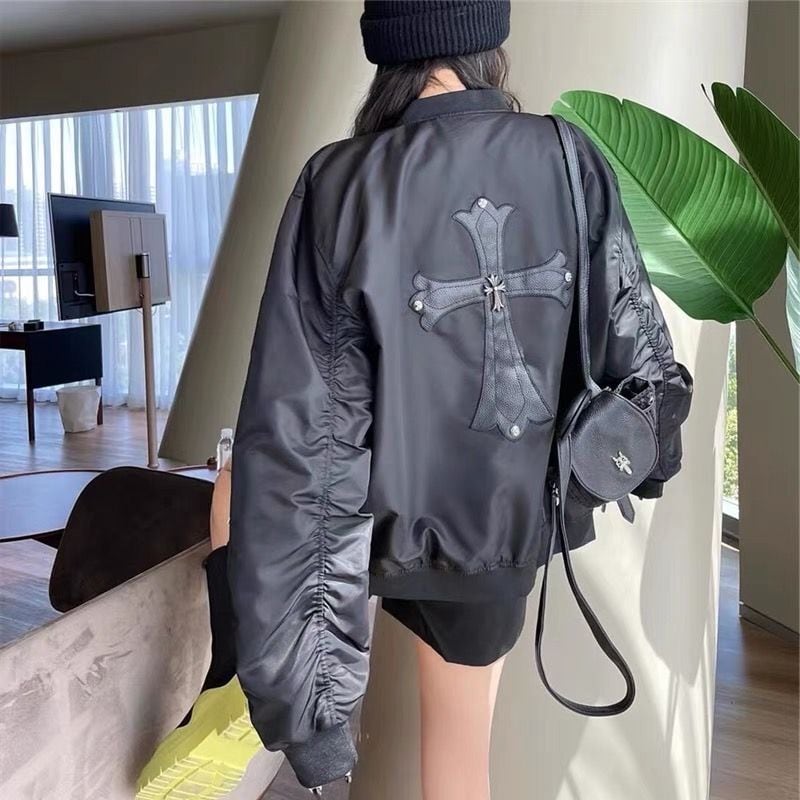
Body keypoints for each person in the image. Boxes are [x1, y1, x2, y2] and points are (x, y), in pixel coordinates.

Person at [137, 2, 693, 798]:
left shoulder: (341, 179)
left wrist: (305, 698)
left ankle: (242, 683)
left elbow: (302, 417)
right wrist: (650, 456)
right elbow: (635, 339)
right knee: (459, 759)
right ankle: (265, 695)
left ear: (387, 49)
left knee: (236, 488)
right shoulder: (569, 155)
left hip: (371, 513)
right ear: (487, 41)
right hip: (497, 525)